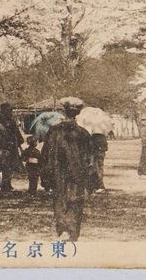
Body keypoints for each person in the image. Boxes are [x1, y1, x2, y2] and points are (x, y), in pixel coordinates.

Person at [42, 97, 93, 242]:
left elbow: (45, 155)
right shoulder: (83, 133)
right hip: (77, 172)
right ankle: (72, 231)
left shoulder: (53, 131)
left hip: (58, 171)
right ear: (77, 113)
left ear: (64, 111)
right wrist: (90, 177)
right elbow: (90, 158)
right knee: (75, 200)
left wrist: (46, 174)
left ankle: (63, 229)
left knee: (60, 199)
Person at [0, 103, 24, 192]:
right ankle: (4, 184)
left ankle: (6, 183)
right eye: (9, 111)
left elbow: (18, 137)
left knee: (7, 167)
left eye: (11, 111)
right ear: (3, 112)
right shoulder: (4, 124)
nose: (11, 113)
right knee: (5, 166)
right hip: (4, 149)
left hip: (5, 149)